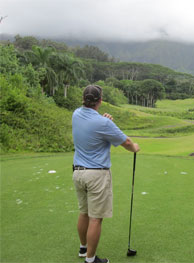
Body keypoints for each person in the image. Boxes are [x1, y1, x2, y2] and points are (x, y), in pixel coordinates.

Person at [72, 85, 140, 263]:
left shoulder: (76, 114)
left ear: (83, 99)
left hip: (78, 173)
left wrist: (104, 120)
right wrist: (135, 148)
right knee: (96, 219)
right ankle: (91, 260)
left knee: (84, 213)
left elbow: (93, 125)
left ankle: (83, 248)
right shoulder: (104, 123)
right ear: (100, 100)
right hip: (96, 176)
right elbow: (125, 142)